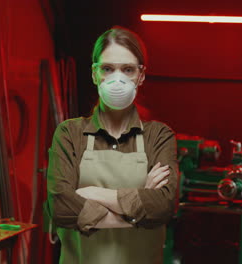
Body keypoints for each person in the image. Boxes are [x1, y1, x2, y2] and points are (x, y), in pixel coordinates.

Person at [46, 26, 178, 264]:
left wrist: (92, 194)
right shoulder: (69, 134)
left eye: (127, 69)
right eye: (108, 68)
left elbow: (162, 206)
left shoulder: (158, 136)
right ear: (95, 74)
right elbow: (61, 207)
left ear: (141, 75)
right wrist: (136, 214)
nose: (118, 79)